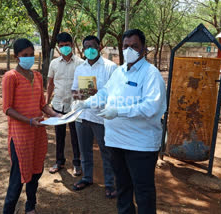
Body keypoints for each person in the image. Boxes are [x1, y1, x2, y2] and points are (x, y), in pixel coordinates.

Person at [72, 29, 166, 213]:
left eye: (134, 46)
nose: (129, 50)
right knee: (122, 188)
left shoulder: (151, 74)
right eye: (126, 46)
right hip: (116, 142)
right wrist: (85, 104)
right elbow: (105, 93)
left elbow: (151, 108)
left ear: (144, 48)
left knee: (143, 191)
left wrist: (118, 111)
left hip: (140, 146)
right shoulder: (119, 72)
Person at [2, 38, 60, 214]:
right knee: (17, 178)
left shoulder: (37, 76)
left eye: (31, 54)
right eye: (24, 55)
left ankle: (30, 207)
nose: (29, 58)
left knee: (36, 172)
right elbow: (7, 108)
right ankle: (8, 210)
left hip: (38, 133)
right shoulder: (10, 77)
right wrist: (28, 121)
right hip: (20, 136)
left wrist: (56, 115)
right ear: (16, 57)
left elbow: (42, 104)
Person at [71, 35, 118, 199]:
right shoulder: (80, 68)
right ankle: (87, 177)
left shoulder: (111, 67)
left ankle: (110, 184)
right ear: (83, 49)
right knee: (85, 150)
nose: (89, 50)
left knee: (107, 152)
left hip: (102, 118)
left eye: (93, 46)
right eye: (86, 47)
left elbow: (115, 93)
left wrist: (98, 95)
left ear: (100, 47)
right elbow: (74, 91)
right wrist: (84, 94)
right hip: (83, 116)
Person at [46, 32, 84, 175]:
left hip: (74, 107)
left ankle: (77, 163)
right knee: (59, 135)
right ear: (58, 47)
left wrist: (82, 103)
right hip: (57, 105)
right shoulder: (54, 63)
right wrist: (46, 102)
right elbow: (50, 84)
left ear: (72, 45)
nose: (64, 48)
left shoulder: (81, 63)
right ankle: (59, 162)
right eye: (61, 46)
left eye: (67, 45)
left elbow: (85, 87)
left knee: (75, 136)